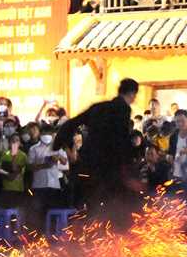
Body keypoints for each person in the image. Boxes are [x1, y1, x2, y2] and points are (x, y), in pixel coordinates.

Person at [55, 78, 140, 220]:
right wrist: (128, 167)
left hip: (89, 163)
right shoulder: (122, 109)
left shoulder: (99, 106)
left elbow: (73, 122)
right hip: (108, 164)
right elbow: (120, 140)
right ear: (132, 94)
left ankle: (90, 237)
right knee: (117, 205)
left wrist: (58, 143)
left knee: (92, 205)